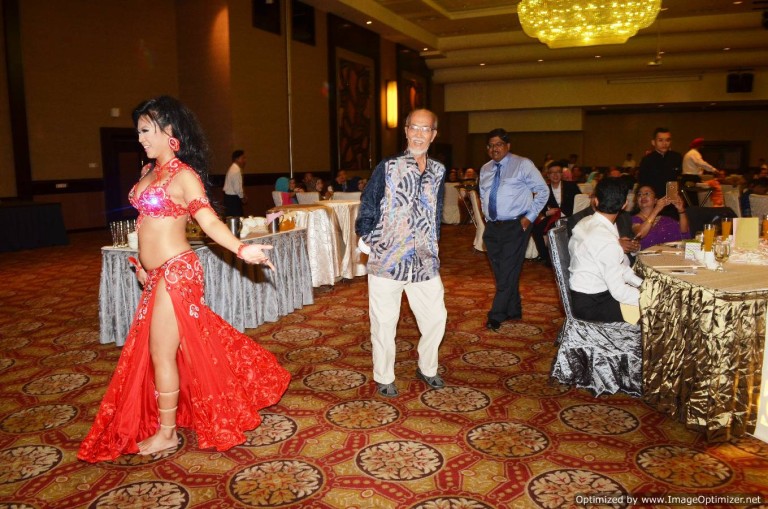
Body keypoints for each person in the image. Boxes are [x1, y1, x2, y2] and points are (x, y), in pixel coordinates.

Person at [78, 96, 290, 462]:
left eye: (146, 130)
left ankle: (167, 434)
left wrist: (242, 249)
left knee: (161, 352)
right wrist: (145, 267)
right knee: (183, 346)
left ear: (169, 130)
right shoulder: (148, 171)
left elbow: (208, 222)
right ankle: (206, 402)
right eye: (138, 131)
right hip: (157, 272)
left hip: (178, 271)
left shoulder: (184, 175)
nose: (141, 138)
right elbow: (146, 222)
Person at [355, 108, 448, 398]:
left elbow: (436, 211)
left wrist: (435, 243)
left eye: (425, 129)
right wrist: (368, 237)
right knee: (384, 323)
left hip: (424, 260)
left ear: (433, 135)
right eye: (414, 128)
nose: (419, 134)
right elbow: (368, 202)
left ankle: (427, 368)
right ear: (406, 131)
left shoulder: (439, 171)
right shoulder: (388, 166)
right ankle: (384, 376)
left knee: (436, 318)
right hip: (388, 258)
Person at [479, 128, 549, 332]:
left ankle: (496, 314)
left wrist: (529, 218)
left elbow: (542, 191)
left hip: (516, 225)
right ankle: (513, 308)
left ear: (508, 146)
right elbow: (483, 195)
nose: (494, 148)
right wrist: (487, 216)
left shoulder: (522, 164)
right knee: (502, 271)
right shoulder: (485, 168)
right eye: (491, 145)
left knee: (507, 269)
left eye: (499, 144)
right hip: (493, 227)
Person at [569, 177, 643, 323]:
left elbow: (619, 267)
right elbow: (619, 292)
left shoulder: (585, 222)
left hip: (582, 296)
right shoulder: (607, 240)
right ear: (624, 204)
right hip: (594, 304)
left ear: (596, 201)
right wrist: (651, 298)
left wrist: (641, 284)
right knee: (660, 312)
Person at [531, 160, 580, 265]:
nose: (555, 175)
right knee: (536, 229)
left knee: (553, 228)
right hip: (553, 216)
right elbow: (540, 206)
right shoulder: (545, 189)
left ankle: (555, 258)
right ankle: (544, 255)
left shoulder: (571, 186)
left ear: (562, 174)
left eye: (558, 172)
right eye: (552, 173)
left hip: (569, 216)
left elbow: (580, 200)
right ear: (548, 175)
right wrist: (547, 212)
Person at [631, 185, 689, 250]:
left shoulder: (666, 220)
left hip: (669, 254)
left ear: (655, 200)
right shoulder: (634, 219)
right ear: (637, 201)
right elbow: (639, 234)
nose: (642, 196)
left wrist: (681, 209)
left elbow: (684, 232)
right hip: (647, 255)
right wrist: (656, 209)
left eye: (647, 193)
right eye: (639, 194)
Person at [637, 127, 683, 199]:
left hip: (672, 198)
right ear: (653, 142)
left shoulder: (676, 157)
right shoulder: (647, 160)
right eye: (660, 140)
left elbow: (678, 178)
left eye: (667, 140)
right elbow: (642, 182)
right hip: (654, 198)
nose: (664, 143)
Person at [223, 150, 247, 217]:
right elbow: (237, 188)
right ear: (237, 159)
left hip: (229, 198)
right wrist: (242, 197)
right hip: (233, 199)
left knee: (230, 218)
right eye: (243, 158)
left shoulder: (232, 168)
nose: (244, 160)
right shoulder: (236, 170)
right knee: (237, 219)